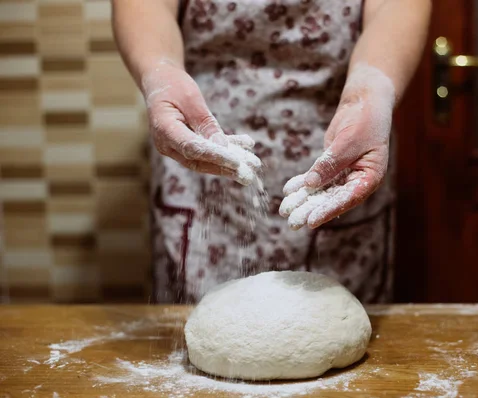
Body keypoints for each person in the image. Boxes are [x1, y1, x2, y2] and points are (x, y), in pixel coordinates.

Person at [112, 0, 431, 303]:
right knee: (205, 333)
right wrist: (160, 71)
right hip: (205, 151)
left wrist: (371, 91)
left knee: (330, 327)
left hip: (340, 154)